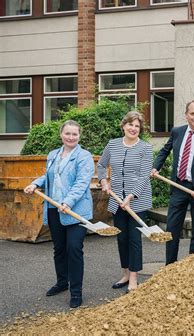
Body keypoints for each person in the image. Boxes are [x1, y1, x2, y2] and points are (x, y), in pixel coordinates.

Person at [24, 120, 94, 308]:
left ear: (79, 136)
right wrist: (36, 184)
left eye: (74, 134)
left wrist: (68, 201)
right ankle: (62, 282)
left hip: (76, 210)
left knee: (74, 249)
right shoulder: (53, 154)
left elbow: (81, 182)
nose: (71, 137)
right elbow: (49, 176)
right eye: (67, 133)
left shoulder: (84, 156)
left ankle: (76, 292)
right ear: (61, 134)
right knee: (60, 249)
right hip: (54, 209)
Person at [152, 100, 194, 265]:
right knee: (172, 227)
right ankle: (170, 265)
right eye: (193, 114)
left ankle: (192, 264)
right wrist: (156, 167)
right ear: (186, 115)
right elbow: (165, 151)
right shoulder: (177, 132)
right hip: (179, 186)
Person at [97, 111, 153, 293]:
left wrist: (130, 197)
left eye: (137, 126)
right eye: (130, 124)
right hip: (116, 201)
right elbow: (101, 165)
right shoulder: (113, 145)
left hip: (137, 202)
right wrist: (103, 180)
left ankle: (134, 278)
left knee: (134, 239)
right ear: (123, 126)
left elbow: (145, 176)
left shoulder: (145, 148)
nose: (133, 128)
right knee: (122, 238)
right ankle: (126, 273)